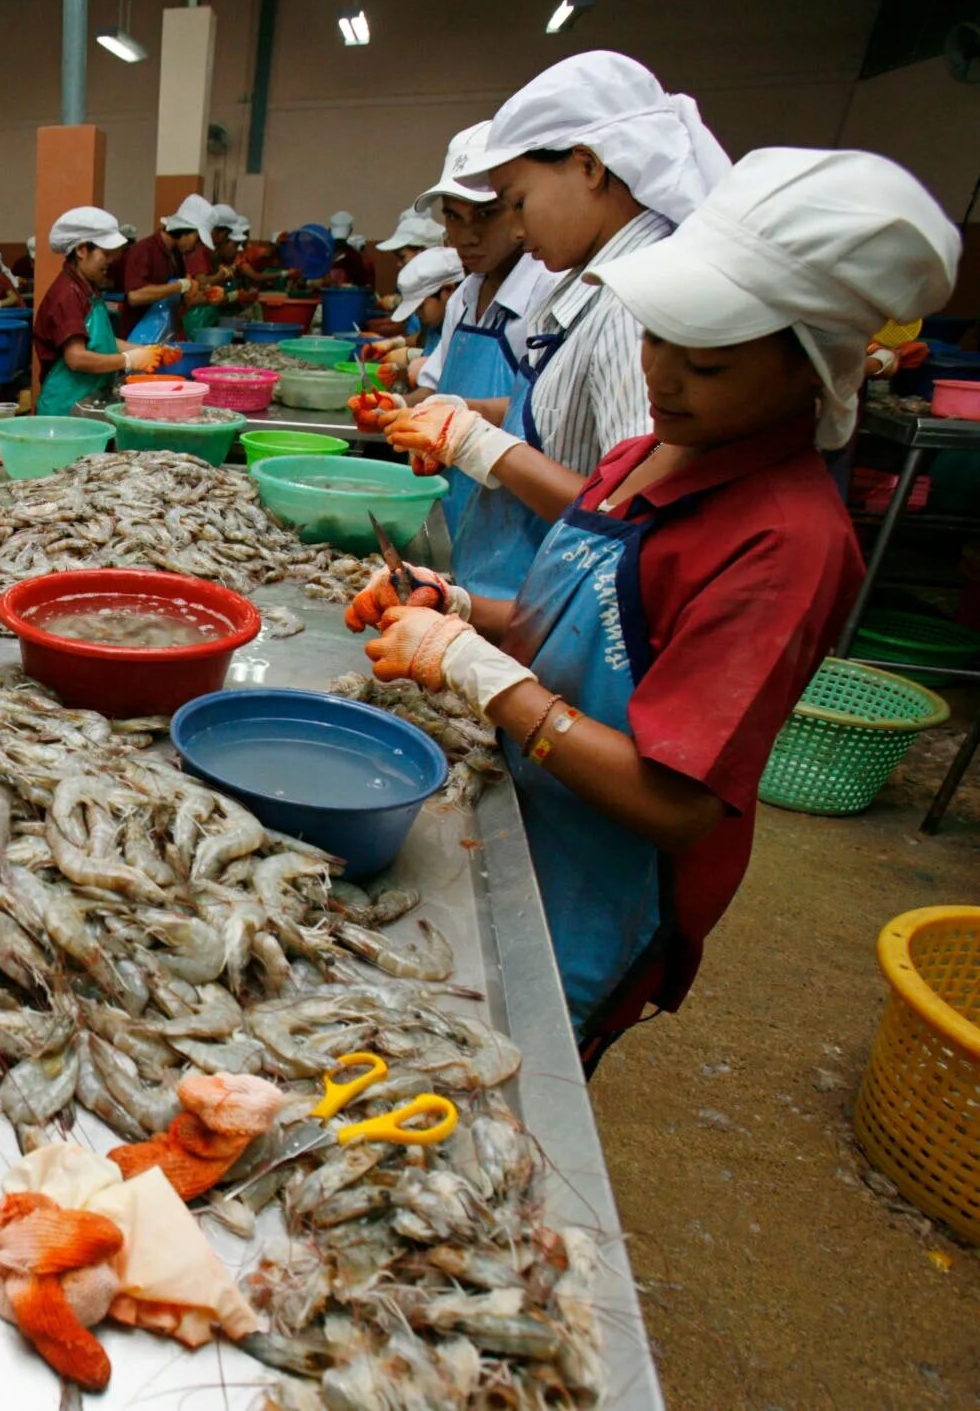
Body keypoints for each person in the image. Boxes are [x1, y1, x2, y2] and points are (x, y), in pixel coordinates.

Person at [352, 148, 958, 1064]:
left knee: (511, 1076)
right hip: (527, 808)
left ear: (815, 370)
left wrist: (473, 670)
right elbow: (571, 618)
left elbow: (678, 804)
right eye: (654, 338)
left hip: (600, 881)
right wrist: (457, 605)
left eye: (707, 364)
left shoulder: (785, 540)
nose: (664, 378)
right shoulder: (644, 454)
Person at [372, 52, 731, 601]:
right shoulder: (586, 285)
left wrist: (478, 445)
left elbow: (629, 510)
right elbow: (549, 416)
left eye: (517, 202)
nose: (516, 228)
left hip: (576, 601)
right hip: (522, 585)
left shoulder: (633, 305)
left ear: (588, 167)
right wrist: (459, 414)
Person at [359, 121, 557, 558]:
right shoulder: (465, 295)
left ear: (518, 208)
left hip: (522, 516)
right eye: (454, 216)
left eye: (486, 215)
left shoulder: (546, 294)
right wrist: (400, 409)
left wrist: (461, 427)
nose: (466, 236)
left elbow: (549, 417)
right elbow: (437, 385)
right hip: (459, 495)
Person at [32, 206, 178, 417]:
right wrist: (129, 359)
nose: (111, 260)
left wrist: (147, 351)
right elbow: (76, 357)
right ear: (82, 250)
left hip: (85, 399)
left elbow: (101, 340)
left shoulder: (88, 288)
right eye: (106, 253)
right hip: (64, 410)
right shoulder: (67, 294)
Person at [119, 194, 215, 336]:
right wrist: (179, 286)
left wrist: (209, 296)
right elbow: (135, 296)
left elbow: (180, 299)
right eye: (198, 240)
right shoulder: (144, 250)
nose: (197, 247)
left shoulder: (176, 255)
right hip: (138, 340)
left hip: (164, 337)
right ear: (185, 231)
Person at [378, 247, 463, 378]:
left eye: (420, 307)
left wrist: (411, 358)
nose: (417, 314)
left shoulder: (462, 329)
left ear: (447, 291)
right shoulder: (437, 323)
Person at [374, 210, 447, 309]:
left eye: (402, 257)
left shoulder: (442, 280)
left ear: (422, 252)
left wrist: (396, 301)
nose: (399, 264)